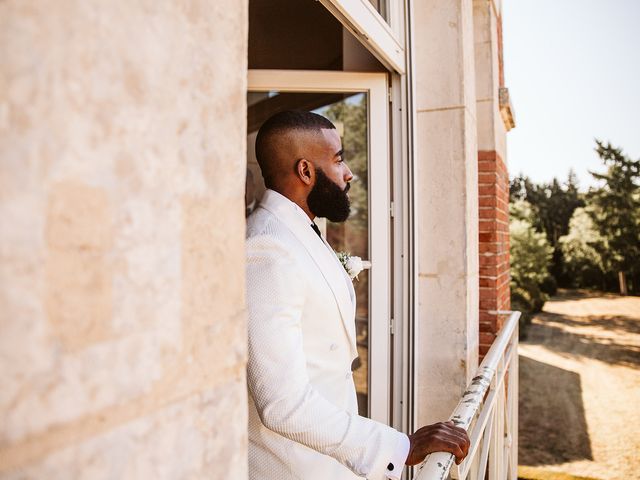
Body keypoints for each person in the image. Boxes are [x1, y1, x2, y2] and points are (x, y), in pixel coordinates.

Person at [245, 110, 469, 480]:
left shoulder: (298, 230)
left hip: (326, 460)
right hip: (293, 467)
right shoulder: (267, 248)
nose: (348, 173)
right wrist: (399, 447)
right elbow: (282, 403)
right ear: (305, 171)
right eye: (338, 159)